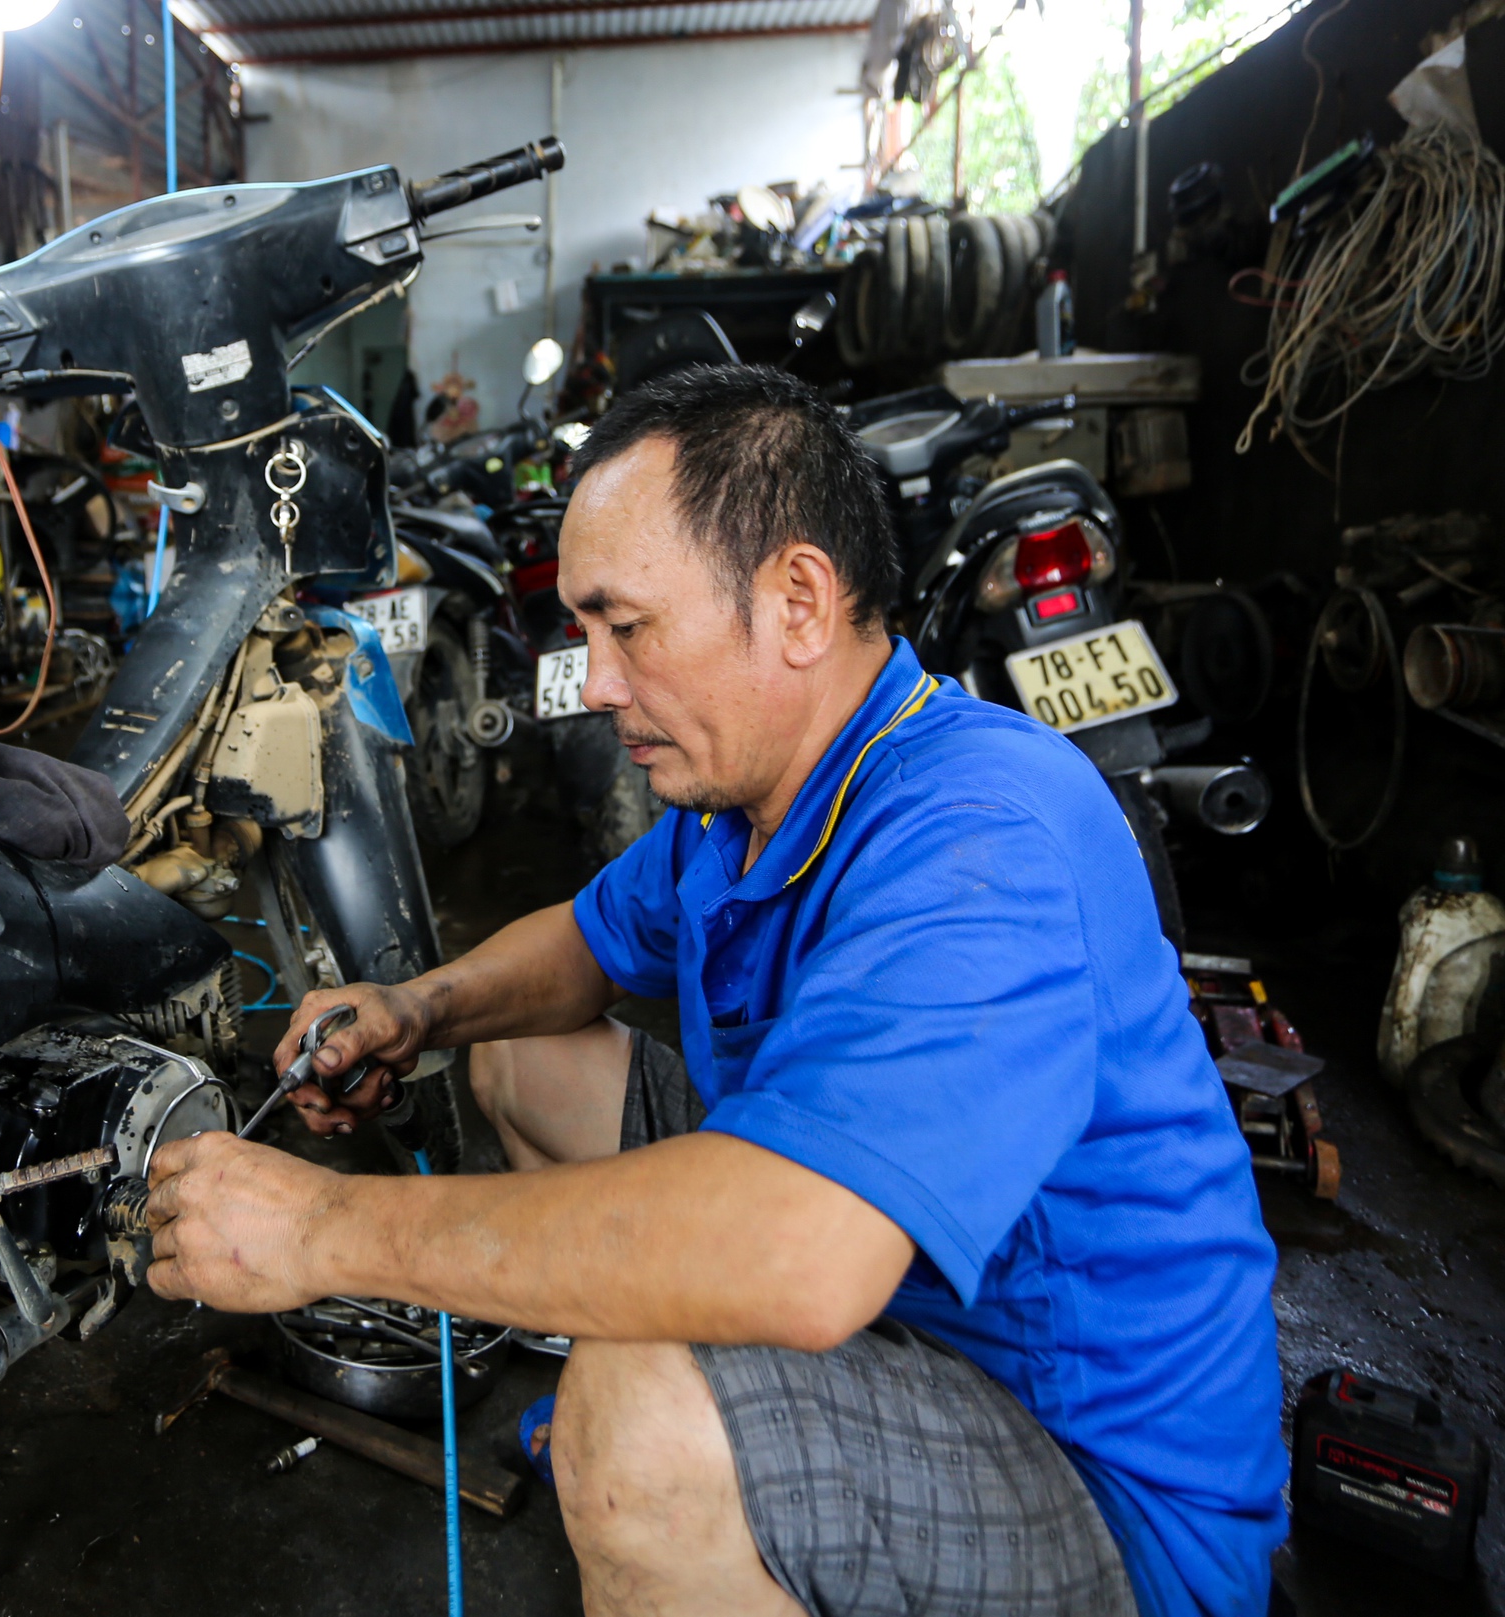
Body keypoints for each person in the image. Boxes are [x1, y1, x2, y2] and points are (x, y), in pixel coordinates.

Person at [143, 366, 1285, 1617]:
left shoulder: (982, 834)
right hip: (894, 1305)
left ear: (797, 602)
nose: (597, 683)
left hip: (1085, 1483)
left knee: (637, 1421)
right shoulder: (745, 802)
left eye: (627, 628)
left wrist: (319, 1230)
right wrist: (418, 1011)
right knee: (519, 1055)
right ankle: (702, 1454)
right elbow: (584, 946)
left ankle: (680, 1468)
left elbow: (800, 1254)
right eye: (584, 634)